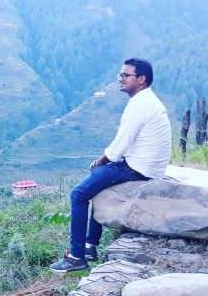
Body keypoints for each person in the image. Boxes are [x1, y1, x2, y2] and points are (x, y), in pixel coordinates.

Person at [49, 58, 171, 273]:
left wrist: (99, 162)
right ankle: (89, 246)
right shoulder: (146, 101)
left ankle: (77, 256)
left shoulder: (140, 105)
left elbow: (118, 148)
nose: (120, 79)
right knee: (100, 180)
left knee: (78, 194)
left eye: (126, 75)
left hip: (137, 168)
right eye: (120, 75)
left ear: (141, 79)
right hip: (147, 165)